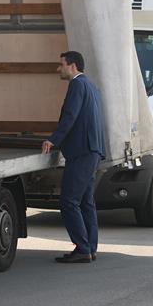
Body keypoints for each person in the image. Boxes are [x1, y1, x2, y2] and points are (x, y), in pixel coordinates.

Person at [42, 51, 107, 263]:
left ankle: (82, 248)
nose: (58, 69)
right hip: (92, 151)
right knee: (86, 202)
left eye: (61, 65)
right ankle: (90, 247)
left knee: (69, 201)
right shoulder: (91, 86)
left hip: (82, 152)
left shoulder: (77, 85)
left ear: (73, 66)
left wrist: (54, 139)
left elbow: (71, 115)